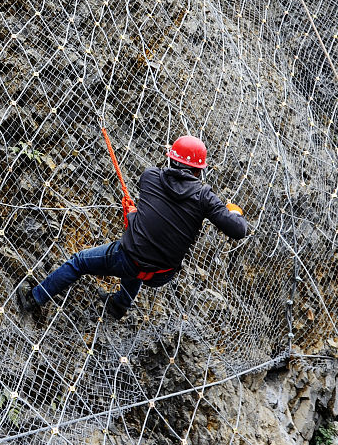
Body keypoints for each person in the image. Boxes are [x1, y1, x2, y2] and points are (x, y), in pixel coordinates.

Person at [15, 136, 251, 321]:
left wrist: (132, 214)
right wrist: (233, 211)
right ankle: (119, 306)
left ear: (170, 159)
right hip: (162, 274)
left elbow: (155, 214)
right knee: (141, 252)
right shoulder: (205, 197)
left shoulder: (150, 177)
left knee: (81, 262)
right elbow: (239, 230)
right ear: (199, 171)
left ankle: (33, 298)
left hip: (130, 259)